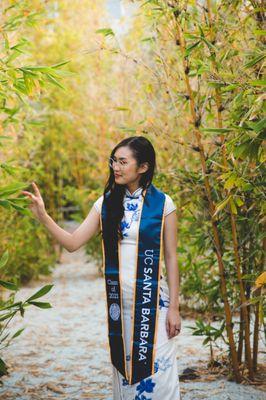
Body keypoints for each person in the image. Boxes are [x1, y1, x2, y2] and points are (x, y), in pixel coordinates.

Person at [22, 136, 181, 399]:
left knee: (159, 374)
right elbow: (73, 243)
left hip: (154, 304)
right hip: (122, 302)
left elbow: (172, 258)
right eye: (113, 161)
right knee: (125, 373)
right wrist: (44, 216)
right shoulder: (106, 204)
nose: (115, 167)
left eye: (122, 162)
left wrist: (174, 308)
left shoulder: (164, 204)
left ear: (142, 167)